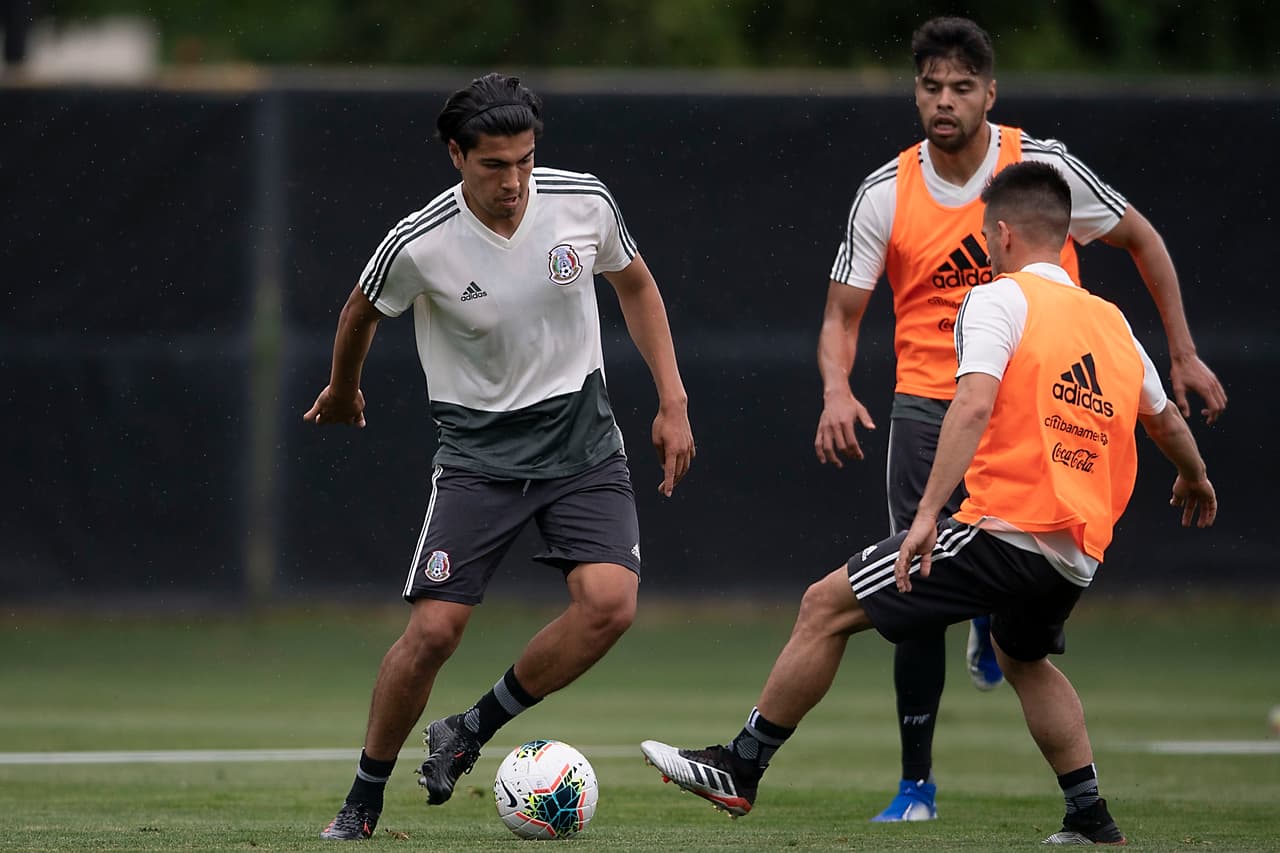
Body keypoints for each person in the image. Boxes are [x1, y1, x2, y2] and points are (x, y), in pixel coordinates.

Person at [642, 160, 1216, 845]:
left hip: (1006, 529)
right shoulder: (1112, 322)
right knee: (1023, 655)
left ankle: (742, 764)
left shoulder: (998, 299)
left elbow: (971, 403)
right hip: (1074, 554)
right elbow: (1166, 421)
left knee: (823, 605)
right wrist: (1196, 476)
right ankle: (1090, 814)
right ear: (1064, 238)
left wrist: (924, 519)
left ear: (1001, 235)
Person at [812, 15, 1227, 821]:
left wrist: (1181, 351)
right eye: (930, 86)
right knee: (909, 581)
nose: (944, 101)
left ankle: (997, 634)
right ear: (916, 93)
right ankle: (916, 786)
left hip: (1033, 402)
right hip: (931, 402)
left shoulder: (1039, 168)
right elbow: (841, 312)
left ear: (990, 94)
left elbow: (1141, 237)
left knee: (1022, 610)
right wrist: (836, 386)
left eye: (962, 87)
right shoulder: (884, 191)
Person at [307, 72, 695, 841]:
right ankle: (362, 798)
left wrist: (673, 400)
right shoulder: (420, 242)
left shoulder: (584, 202)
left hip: (582, 442)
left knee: (611, 604)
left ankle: (470, 728)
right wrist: (344, 388)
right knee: (435, 633)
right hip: (479, 455)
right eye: (493, 164)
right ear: (456, 155)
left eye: (524, 160)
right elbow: (360, 308)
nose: (514, 180)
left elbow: (638, 285)